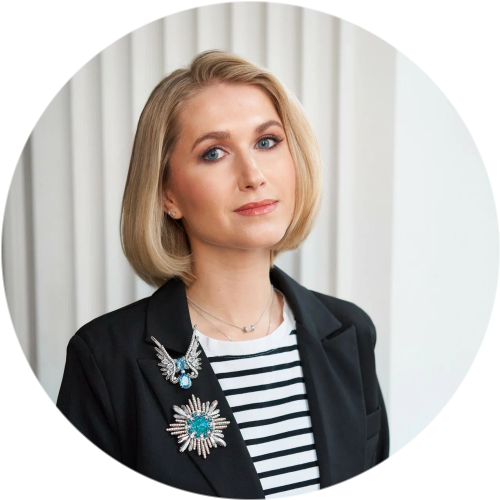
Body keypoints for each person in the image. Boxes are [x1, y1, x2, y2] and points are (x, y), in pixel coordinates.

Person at [38, 49, 395, 500]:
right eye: (214, 153)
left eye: (267, 142)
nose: (253, 175)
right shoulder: (108, 360)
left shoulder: (349, 332)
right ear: (167, 195)